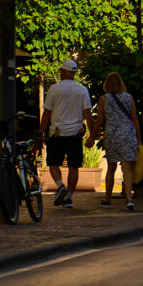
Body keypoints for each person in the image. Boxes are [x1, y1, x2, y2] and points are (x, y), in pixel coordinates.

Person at [38, 60, 94, 209]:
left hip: (56, 133)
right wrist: (92, 135)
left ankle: (59, 185)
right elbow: (88, 113)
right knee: (73, 166)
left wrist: (41, 132)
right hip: (75, 133)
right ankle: (69, 197)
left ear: (64, 72)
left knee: (53, 163)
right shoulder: (82, 90)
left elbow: (47, 113)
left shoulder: (54, 89)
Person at [86, 72, 141, 211]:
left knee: (111, 167)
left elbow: (99, 121)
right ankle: (129, 199)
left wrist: (92, 136)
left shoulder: (104, 99)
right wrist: (138, 138)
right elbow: (134, 119)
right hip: (128, 134)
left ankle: (108, 198)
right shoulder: (129, 98)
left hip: (112, 134)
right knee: (127, 168)